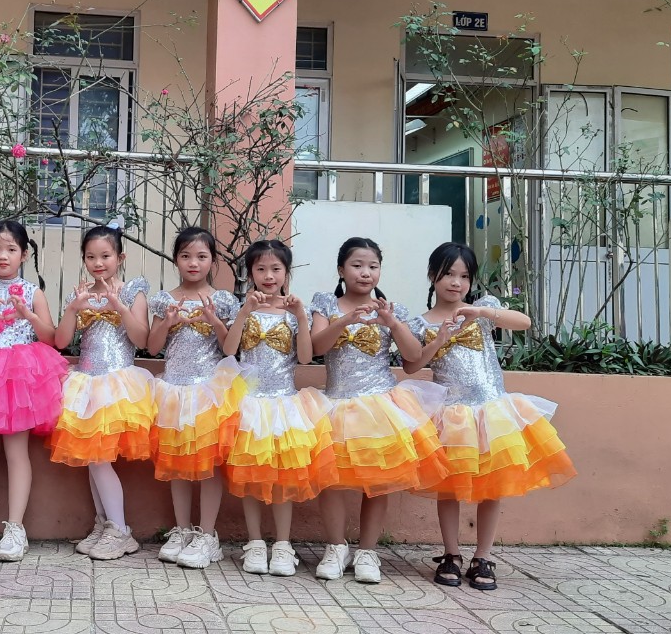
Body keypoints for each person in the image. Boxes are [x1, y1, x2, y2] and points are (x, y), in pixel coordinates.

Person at [402, 242, 576, 591]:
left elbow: (524, 322)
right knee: (449, 488)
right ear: (433, 275)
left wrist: (481, 312)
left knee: (491, 486)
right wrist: (439, 339)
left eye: (464, 276)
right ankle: (451, 553)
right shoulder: (420, 322)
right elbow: (411, 365)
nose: (456, 282)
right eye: (448, 274)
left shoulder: (482, 311)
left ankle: (483, 556)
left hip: (491, 410)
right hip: (450, 416)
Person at [308, 236, 447, 584]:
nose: (365, 273)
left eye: (373, 266)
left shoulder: (391, 310)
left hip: (381, 405)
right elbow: (316, 347)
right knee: (331, 481)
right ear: (341, 270)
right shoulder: (326, 303)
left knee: (378, 482)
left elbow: (413, 357)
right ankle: (335, 547)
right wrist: (345, 320)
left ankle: (368, 552)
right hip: (336, 404)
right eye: (357, 265)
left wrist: (392, 323)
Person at [223, 240, 337, 577]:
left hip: (284, 404)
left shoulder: (294, 313)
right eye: (260, 269)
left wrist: (300, 315)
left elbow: (305, 357)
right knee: (250, 476)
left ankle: (283, 545)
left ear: (287, 273)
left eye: (276, 269)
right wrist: (244, 312)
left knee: (281, 478)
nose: (268, 276)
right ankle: (255, 542)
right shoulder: (242, 309)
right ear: (250, 274)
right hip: (248, 404)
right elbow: (229, 349)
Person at [0, 221, 67, 564]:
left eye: (10, 249)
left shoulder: (33, 292)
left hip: (20, 378)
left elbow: (50, 337)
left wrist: (28, 314)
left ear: (24, 254)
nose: (2, 256)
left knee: (18, 453)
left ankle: (15, 528)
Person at [48, 224, 153, 561]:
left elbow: (142, 339)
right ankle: (105, 523)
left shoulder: (132, 291)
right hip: (85, 384)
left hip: (117, 385)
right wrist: (72, 309)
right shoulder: (79, 294)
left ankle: (120, 530)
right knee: (92, 459)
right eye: (91, 257)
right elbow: (61, 341)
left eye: (105, 255)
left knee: (98, 458)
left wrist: (119, 306)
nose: (98, 263)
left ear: (120, 257)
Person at [146, 227, 242, 569]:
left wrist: (215, 320)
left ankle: (207, 534)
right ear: (176, 260)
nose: (193, 263)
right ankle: (182, 529)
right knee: (176, 464)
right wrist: (167, 322)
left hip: (208, 393)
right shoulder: (164, 299)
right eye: (186, 256)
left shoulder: (224, 300)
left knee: (208, 466)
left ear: (213, 262)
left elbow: (230, 347)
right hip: (173, 391)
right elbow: (152, 347)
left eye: (201, 256)